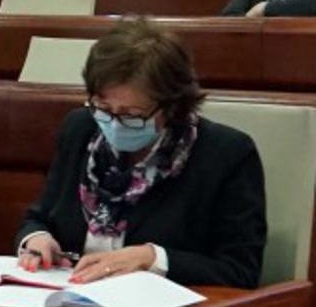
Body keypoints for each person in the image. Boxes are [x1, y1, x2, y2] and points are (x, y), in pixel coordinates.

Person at [16, 19, 265, 289]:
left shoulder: (225, 154)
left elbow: (241, 271)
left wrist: (153, 258)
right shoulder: (80, 129)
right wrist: (36, 238)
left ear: (171, 107)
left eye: (132, 115)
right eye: (103, 107)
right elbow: (41, 216)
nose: (114, 123)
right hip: (69, 296)